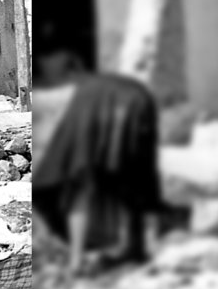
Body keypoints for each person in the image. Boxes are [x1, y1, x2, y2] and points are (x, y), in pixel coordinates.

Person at [32, 47, 165, 277]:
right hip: (137, 102)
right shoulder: (107, 86)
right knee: (132, 177)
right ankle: (138, 247)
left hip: (106, 114)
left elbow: (69, 156)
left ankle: (76, 261)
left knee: (77, 184)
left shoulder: (72, 95)